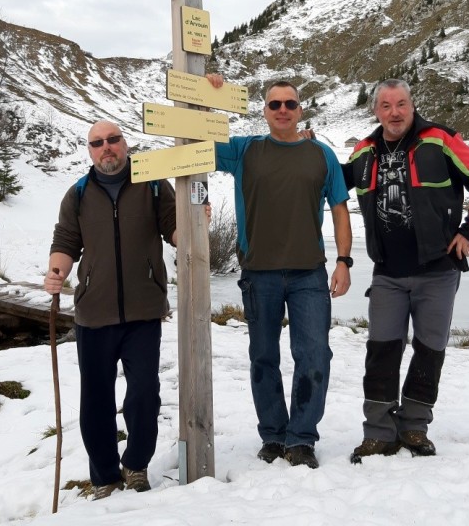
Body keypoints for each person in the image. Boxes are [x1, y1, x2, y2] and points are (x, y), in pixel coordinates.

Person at [344, 78, 469, 463]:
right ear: (376, 111)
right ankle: (378, 432)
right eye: (385, 106)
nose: (394, 112)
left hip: (437, 271)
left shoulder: (440, 139)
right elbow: (327, 182)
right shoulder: (363, 152)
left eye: (401, 104)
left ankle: (415, 427)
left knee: (429, 351)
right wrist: (306, 145)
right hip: (387, 273)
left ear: (412, 106)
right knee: (381, 350)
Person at [208, 75, 353, 470]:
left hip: (310, 274)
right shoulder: (245, 150)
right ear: (265, 111)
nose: (283, 110)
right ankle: (273, 435)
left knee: (315, 356)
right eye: (275, 105)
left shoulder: (321, 156)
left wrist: (344, 260)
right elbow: (196, 139)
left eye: (290, 104)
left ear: (300, 109)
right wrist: (207, 93)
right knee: (263, 357)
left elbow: (340, 210)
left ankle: (301, 439)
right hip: (259, 274)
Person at [45, 120, 177, 499]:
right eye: (98, 143)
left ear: (125, 143)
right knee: (96, 397)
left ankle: (135, 464)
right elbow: (66, 241)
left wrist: (192, 228)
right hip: (93, 311)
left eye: (113, 140)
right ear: (90, 150)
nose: (107, 148)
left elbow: (173, 226)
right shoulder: (79, 194)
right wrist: (57, 272)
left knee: (144, 393)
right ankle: (104, 476)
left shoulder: (153, 185)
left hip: (144, 309)